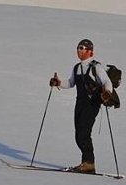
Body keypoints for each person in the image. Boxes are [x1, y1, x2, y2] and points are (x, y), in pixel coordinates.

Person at [49, 39, 114, 173]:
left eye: (82, 48)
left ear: (90, 51)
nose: (79, 50)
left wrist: (107, 93)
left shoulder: (96, 67)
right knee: (79, 134)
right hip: (80, 103)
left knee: (84, 133)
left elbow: (107, 82)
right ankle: (87, 163)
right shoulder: (77, 67)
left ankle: (89, 163)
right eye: (78, 48)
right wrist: (58, 83)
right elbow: (70, 83)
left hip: (92, 104)